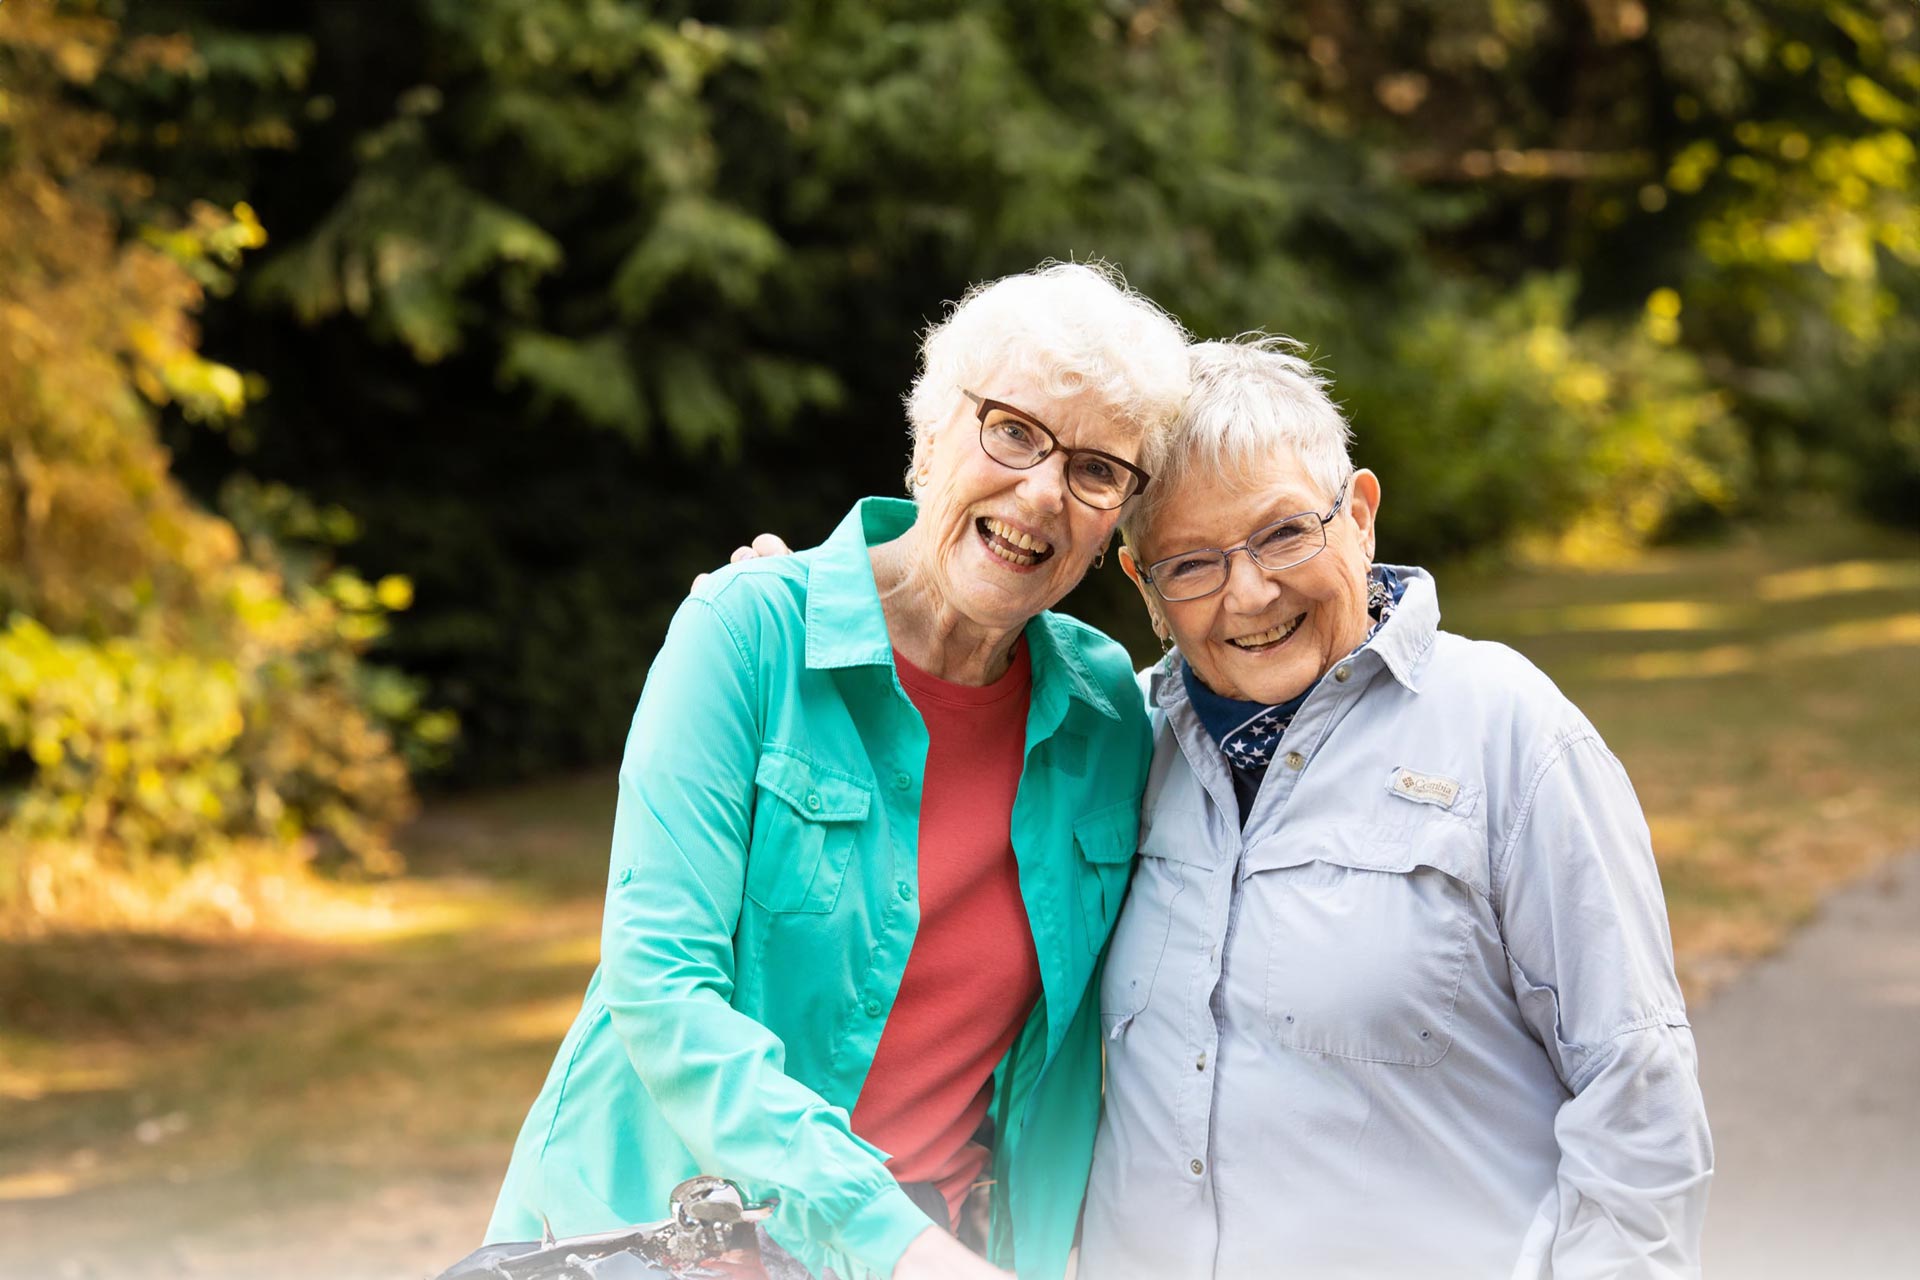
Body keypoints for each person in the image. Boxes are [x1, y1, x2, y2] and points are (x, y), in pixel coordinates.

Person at [479, 261, 1191, 1280]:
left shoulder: (1108, 709)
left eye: (1095, 469)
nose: (1042, 489)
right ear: (933, 431)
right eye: (1013, 430)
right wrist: (891, 1241)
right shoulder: (749, 634)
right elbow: (659, 984)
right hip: (666, 1246)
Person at [1082, 336, 1714, 1278]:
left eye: (1285, 533)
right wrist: (794, 601)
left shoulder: (1509, 730)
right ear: (1145, 586)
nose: (1249, 593)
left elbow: (1639, 1098)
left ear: (1362, 515)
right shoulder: (1114, 746)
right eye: (1191, 564)